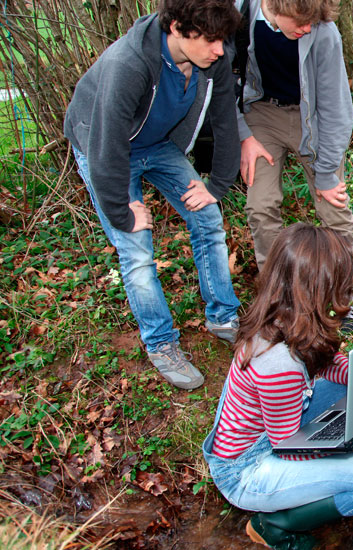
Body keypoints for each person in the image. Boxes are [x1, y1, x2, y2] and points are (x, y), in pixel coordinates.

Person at [64, 0, 244, 390]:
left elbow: (226, 120)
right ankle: (161, 343)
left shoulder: (214, 57)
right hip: (104, 146)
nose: (220, 50)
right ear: (177, 28)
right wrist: (122, 211)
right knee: (136, 248)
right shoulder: (127, 66)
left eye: (223, 40)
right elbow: (106, 145)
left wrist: (216, 185)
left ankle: (223, 316)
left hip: (157, 143)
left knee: (208, 217)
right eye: (212, 40)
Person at [202, 223, 353, 550]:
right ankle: (276, 526)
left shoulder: (288, 316)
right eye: (343, 285)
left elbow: (327, 363)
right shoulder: (279, 366)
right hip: (246, 468)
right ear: (320, 290)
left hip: (275, 430)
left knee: (352, 392)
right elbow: (290, 449)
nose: (350, 295)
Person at [233, 0, 353, 329]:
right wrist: (242, 135)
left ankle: (349, 292)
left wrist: (325, 175)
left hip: (314, 119)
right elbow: (221, 84)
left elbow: (336, 108)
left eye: (313, 22)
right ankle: (277, 293)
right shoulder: (237, 15)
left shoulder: (324, 33)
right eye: (301, 22)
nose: (308, 28)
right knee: (261, 206)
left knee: (332, 203)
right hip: (261, 116)